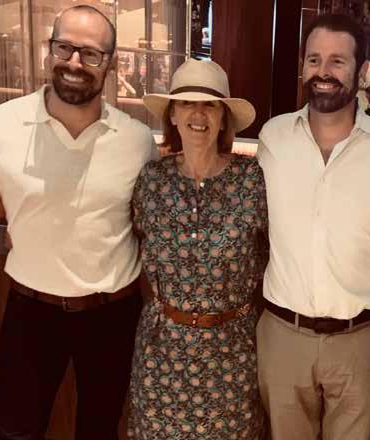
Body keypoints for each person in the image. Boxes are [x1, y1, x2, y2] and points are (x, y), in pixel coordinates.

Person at [0, 5, 155, 439]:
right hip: (30, 312)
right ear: (48, 49)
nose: (75, 62)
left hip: (113, 314)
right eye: (65, 48)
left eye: (91, 54)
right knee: (14, 430)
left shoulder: (137, 140)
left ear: (110, 63)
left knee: (100, 430)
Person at [255, 13, 370, 440]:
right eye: (314, 60)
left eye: (337, 61)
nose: (323, 72)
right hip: (283, 337)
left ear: (361, 71)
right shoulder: (273, 138)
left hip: (362, 339)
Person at [127, 58, 266, 439]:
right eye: (187, 103)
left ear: (224, 118)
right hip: (161, 354)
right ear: (172, 115)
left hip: (232, 354)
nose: (198, 114)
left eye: (210, 105)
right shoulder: (151, 180)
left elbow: (275, 252)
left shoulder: (251, 180)